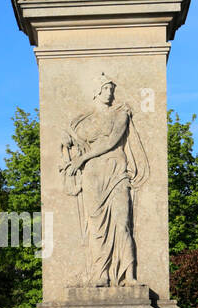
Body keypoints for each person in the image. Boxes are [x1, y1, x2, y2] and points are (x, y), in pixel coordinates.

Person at [58, 73, 149, 287]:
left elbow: (111, 140)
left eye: (111, 89)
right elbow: (69, 142)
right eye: (106, 88)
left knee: (122, 223)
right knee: (96, 225)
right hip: (92, 175)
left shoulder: (121, 114)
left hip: (116, 170)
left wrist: (82, 157)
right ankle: (101, 274)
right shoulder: (82, 120)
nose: (110, 93)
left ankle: (129, 275)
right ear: (96, 91)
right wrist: (66, 145)